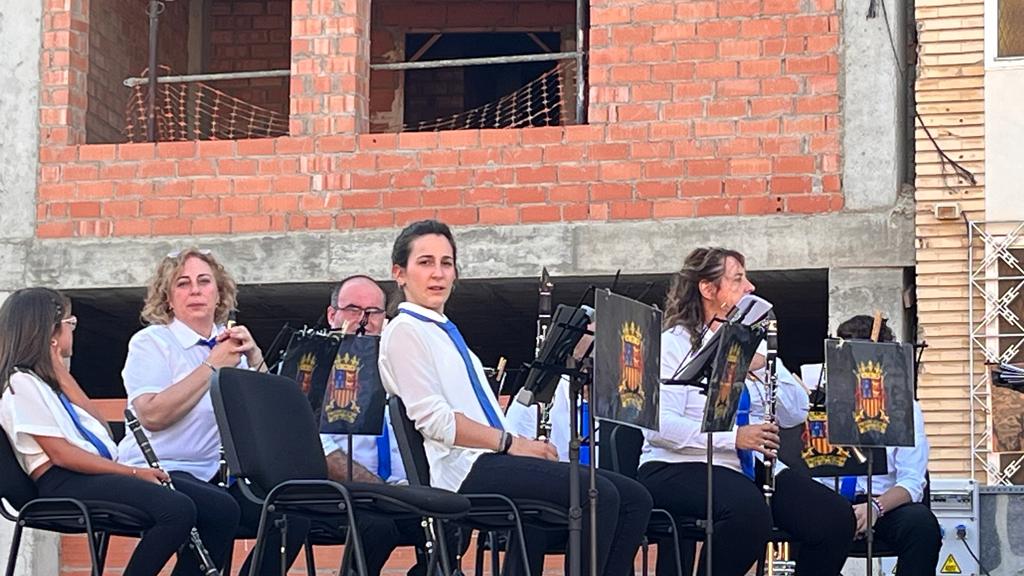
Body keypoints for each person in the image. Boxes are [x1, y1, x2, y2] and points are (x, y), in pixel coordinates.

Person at [378, 219, 653, 576]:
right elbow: (435, 421)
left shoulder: (442, 329)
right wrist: (512, 444)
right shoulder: (405, 331)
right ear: (400, 273)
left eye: (446, 263)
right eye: (425, 262)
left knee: (636, 499)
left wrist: (525, 444)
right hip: (465, 470)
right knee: (598, 496)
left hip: (490, 458)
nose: (438, 273)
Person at [638, 247, 855, 576]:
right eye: (738, 279)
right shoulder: (672, 345)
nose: (750, 287)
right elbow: (658, 428)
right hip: (677, 465)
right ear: (708, 289)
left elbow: (796, 412)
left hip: (746, 470)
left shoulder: (750, 342)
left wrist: (762, 367)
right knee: (749, 513)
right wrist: (735, 437)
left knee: (836, 519)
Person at [116, 248, 306, 575]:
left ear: (219, 294)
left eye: (204, 282)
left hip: (213, 476)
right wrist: (211, 366)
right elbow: (152, 416)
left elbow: (272, 424)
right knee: (219, 509)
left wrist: (256, 358)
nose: (195, 291)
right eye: (182, 284)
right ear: (168, 298)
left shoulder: (231, 348)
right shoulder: (152, 343)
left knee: (293, 513)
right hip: (157, 470)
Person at [0, 288, 194, 575]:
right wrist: (134, 473)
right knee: (177, 510)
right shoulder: (20, 384)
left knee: (218, 507)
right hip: (62, 481)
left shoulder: (48, 385)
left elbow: (99, 429)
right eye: (70, 323)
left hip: (87, 474)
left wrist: (61, 375)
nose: (73, 330)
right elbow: (62, 455)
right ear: (50, 332)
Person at [322, 274, 434, 576]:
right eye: (353, 310)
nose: (363, 321)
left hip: (401, 490)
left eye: (373, 313)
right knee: (379, 527)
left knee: (450, 518)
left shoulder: (400, 366)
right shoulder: (315, 367)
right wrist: (379, 489)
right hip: (341, 492)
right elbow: (320, 449)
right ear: (332, 315)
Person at [832, 315, 941, 575]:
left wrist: (875, 508)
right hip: (833, 504)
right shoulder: (821, 403)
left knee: (921, 526)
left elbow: (912, 481)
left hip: (884, 504)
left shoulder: (904, 408)